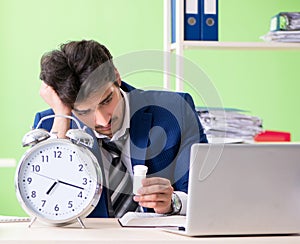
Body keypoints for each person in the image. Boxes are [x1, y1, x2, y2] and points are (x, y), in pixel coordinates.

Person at [34, 40, 208, 218]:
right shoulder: (51, 126)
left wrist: (173, 202)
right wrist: (63, 117)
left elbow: (205, 192)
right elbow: (44, 205)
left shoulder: (176, 110)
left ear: (116, 76)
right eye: (85, 111)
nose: (103, 120)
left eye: (107, 100)